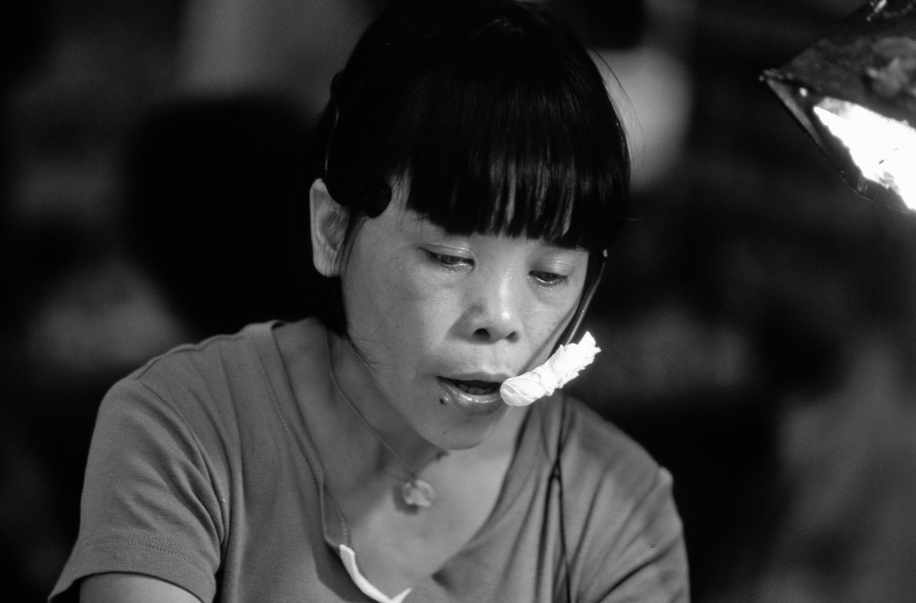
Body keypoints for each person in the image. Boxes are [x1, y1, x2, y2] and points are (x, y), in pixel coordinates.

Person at [50, 0, 689, 601]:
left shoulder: (617, 505)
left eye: (549, 275)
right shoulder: (184, 427)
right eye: (449, 257)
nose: (499, 319)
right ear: (333, 231)